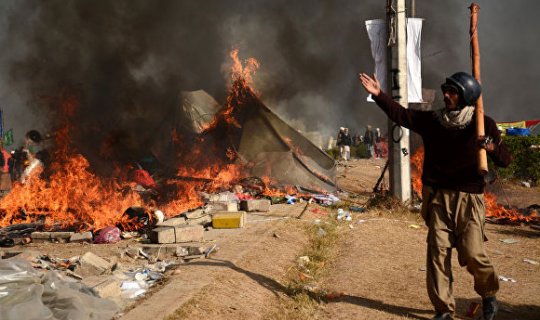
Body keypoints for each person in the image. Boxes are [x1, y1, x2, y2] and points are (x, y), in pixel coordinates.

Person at [360, 71, 511, 320]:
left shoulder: (483, 124)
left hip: (469, 199)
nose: (446, 95)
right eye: (446, 90)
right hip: (439, 198)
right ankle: (443, 309)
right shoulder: (434, 121)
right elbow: (402, 115)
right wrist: (379, 95)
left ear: (466, 96)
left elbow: (505, 160)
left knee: (473, 254)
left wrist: (491, 147)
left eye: (452, 92)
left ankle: (488, 295)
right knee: (437, 253)